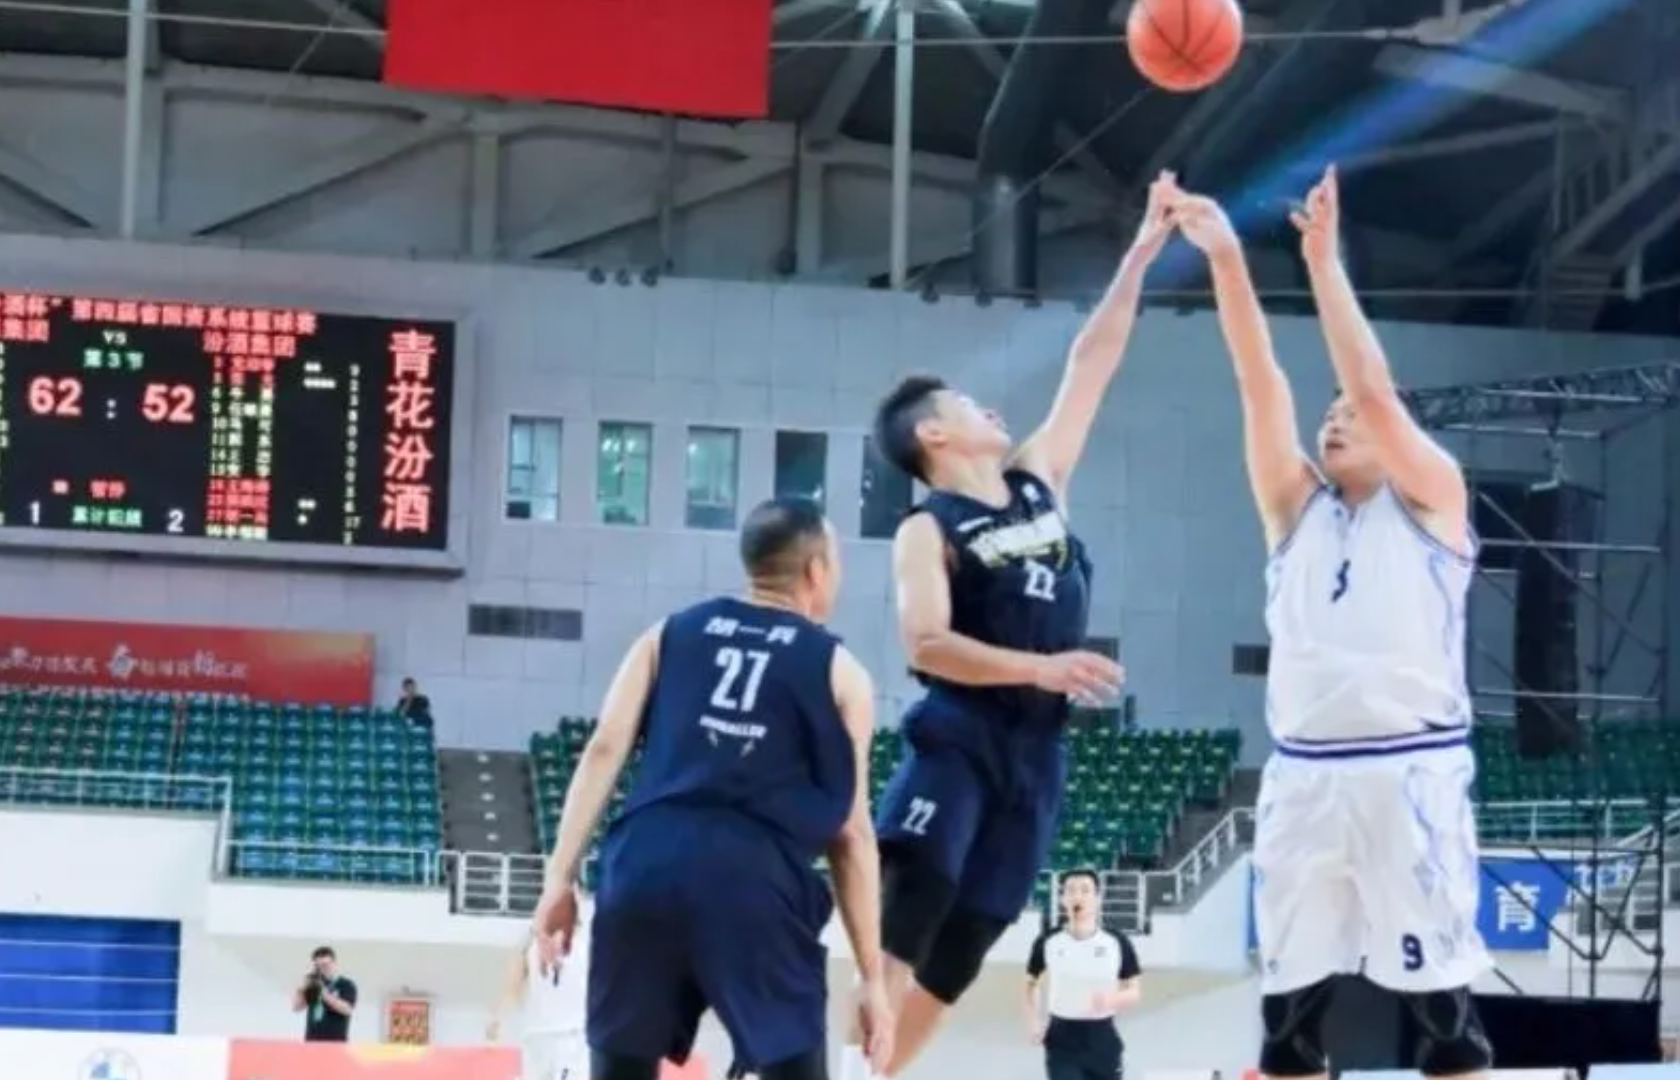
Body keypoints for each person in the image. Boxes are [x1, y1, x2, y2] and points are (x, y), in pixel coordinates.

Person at [852, 173, 1178, 1080]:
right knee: (915, 901)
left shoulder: (1038, 481)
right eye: (966, 404)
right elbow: (925, 644)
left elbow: (1091, 363)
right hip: (962, 734)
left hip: (1038, 753)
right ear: (933, 437)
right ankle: (842, 1061)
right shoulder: (927, 529)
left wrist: (1141, 251)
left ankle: (880, 1074)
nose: (988, 408)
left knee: (967, 943)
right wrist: (1040, 668)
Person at [1170, 168, 1492, 1080]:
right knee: (1286, 1032)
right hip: (1304, 776)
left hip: (1409, 771)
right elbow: (1258, 380)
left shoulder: (1433, 500)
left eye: (1352, 415)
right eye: (1331, 413)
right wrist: (1227, 260)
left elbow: (1376, 389)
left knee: (1445, 1029)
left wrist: (1322, 263)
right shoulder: (1293, 508)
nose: (1337, 418)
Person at [530, 496, 893, 1080]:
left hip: (645, 864)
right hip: (755, 876)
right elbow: (851, 835)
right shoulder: (841, 671)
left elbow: (604, 748)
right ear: (816, 570)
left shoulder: (666, 634)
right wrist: (871, 978)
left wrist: (558, 879)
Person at [1024, 870, 1141, 1080]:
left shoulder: (1116, 942)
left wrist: (1110, 999)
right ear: (1062, 899)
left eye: (1085, 890)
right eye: (1070, 890)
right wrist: (1033, 1019)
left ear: (1097, 899)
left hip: (1102, 1038)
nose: (1078, 896)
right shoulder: (1048, 941)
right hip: (1062, 1039)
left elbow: (1134, 991)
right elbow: (1030, 983)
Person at [487, 909, 592, 1080]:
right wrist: (497, 1017)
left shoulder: (584, 949)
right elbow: (512, 988)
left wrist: (497, 1018)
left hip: (557, 1037)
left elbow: (511, 990)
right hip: (552, 1038)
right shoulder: (531, 948)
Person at [291, 945, 357, 1042]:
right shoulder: (314, 983)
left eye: (325, 965)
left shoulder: (346, 984)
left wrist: (323, 992)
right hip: (312, 1041)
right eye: (318, 966)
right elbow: (297, 1008)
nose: (322, 969)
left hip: (336, 1042)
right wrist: (300, 990)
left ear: (334, 962)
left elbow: (347, 1010)